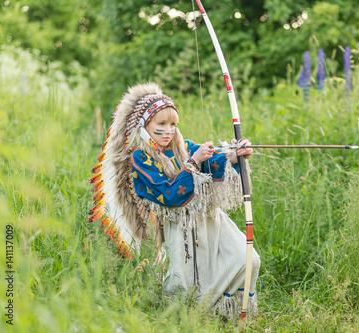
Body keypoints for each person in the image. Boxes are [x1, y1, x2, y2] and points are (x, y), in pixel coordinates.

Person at [88, 82, 260, 318]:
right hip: (178, 231)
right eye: (161, 124)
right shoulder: (140, 157)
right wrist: (193, 163)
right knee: (185, 286)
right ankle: (198, 316)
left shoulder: (183, 147)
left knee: (245, 258)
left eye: (173, 124)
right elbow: (168, 194)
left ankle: (215, 308)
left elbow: (212, 160)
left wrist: (233, 155)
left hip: (209, 221)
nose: (169, 130)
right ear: (145, 125)